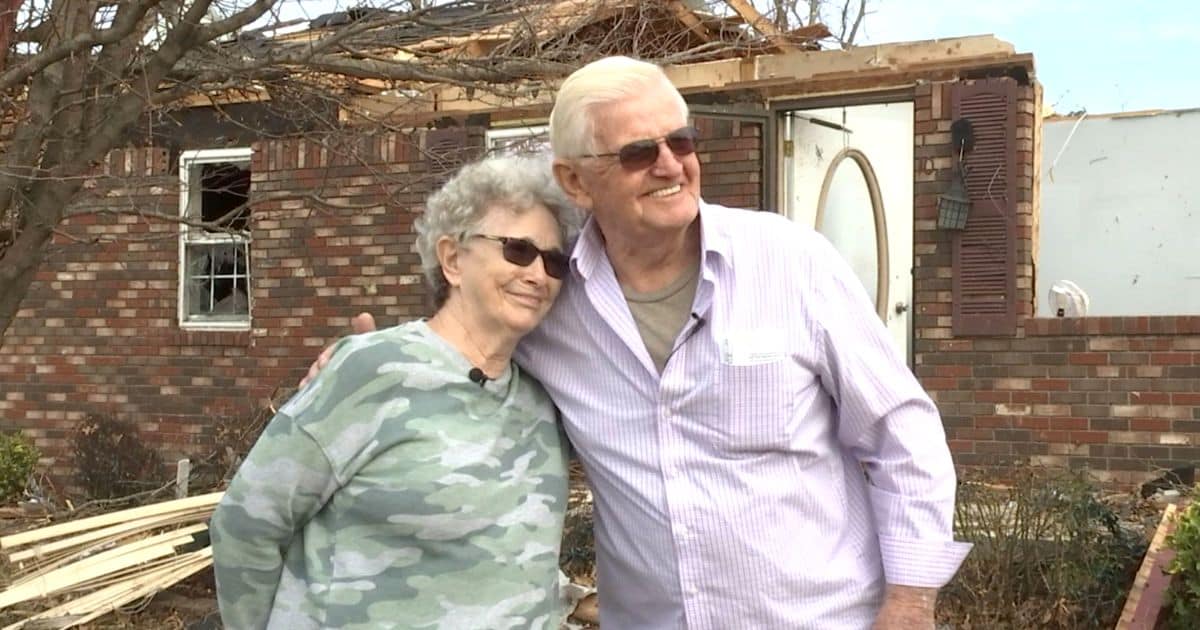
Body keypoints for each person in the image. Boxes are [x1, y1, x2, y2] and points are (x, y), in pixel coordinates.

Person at [308, 56, 971, 629]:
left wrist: (909, 605)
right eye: (636, 153)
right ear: (575, 181)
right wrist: (367, 368)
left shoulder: (791, 263)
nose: (670, 165)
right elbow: (465, 349)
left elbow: (901, 434)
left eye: (680, 141)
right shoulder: (554, 302)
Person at [210, 154, 578, 630]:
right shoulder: (371, 371)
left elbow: (506, 552)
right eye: (518, 250)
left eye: (554, 261)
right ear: (452, 260)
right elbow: (246, 525)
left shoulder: (542, 400)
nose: (537, 274)